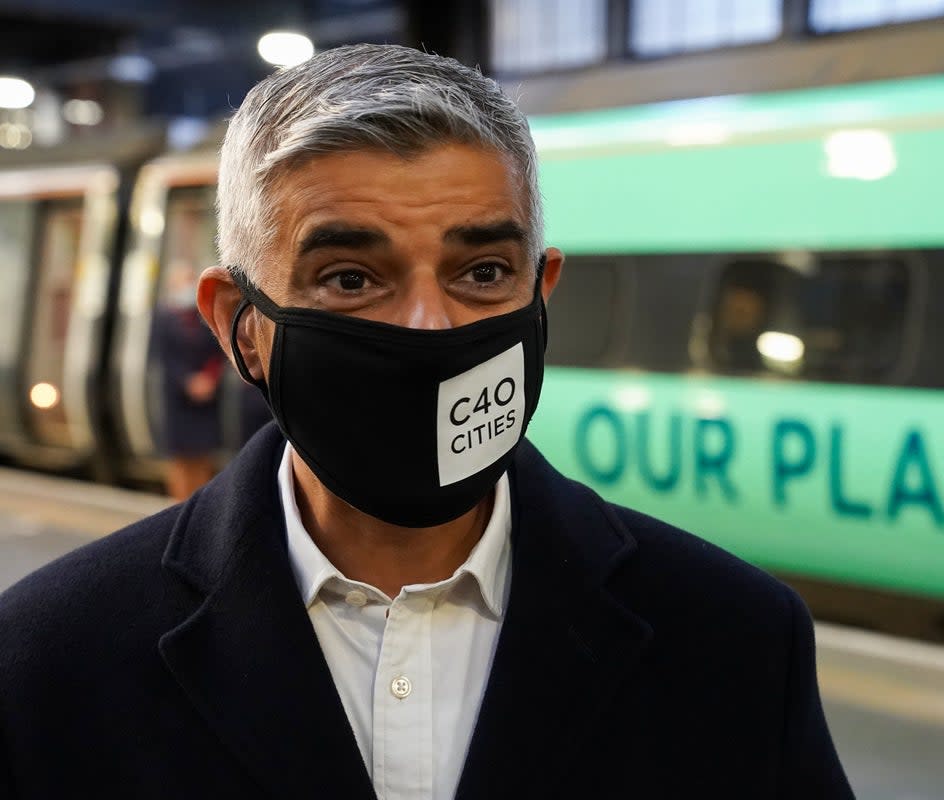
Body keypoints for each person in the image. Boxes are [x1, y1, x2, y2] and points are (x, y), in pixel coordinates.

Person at [0, 45, 854, 799]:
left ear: (540, 293)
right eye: (349, 278)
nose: (430, 330)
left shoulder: (736, 641)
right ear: (238, 324)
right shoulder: (48, 659)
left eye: (481, 271)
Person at [151, 261, 226, 500]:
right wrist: (187, 381)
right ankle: (179, 506)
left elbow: (219, 350)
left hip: (205, 399)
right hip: (177, 398)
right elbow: (163, 357)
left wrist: (210, 379)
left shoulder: (204, 316)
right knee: (180, 458)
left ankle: (198, 506)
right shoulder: (163, 318)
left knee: (203, 456)